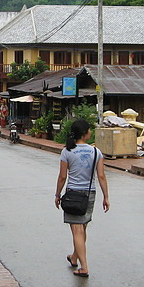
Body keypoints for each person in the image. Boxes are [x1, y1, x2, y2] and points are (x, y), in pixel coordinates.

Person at [54, 118, 109, 278]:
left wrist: (57, 194)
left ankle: (84, 267)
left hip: (73, 194)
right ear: (85, 134)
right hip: (89, 194)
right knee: (82, 227)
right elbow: (101, 176)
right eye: (89, 130)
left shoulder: (67, 152)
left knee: (77, 230)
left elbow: (62, 177)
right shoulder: (96, 152)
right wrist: (106, 196)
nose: (91, 132)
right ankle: (74, 257)